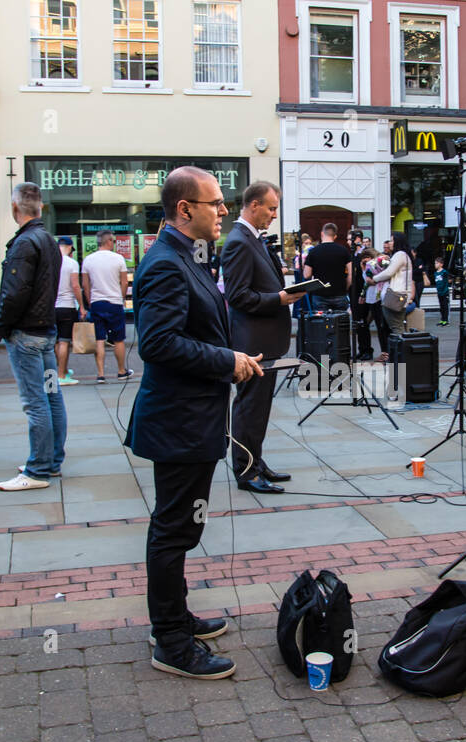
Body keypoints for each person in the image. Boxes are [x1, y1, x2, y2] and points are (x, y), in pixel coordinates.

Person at [126, 166, 263, 680]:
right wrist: (227, 362)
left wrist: (228, 354)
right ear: (185, 209)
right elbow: (157, 344)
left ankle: (175, 616)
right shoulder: (166, 262)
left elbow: (193, 329)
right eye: (215, 203)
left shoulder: (186, 256)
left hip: (194, 418)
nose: (224, 210)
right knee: (173, 529)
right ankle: (171, 642)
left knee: (182, 526)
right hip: (178, 422)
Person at [222, 180, 301, 494]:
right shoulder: (239, 241)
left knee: (259, 408)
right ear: (253, 205)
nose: (273, 214)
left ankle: (256, 461)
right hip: (252, 343)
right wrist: (278, 299)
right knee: (249, 408)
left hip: (264, 340)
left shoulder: (253, 238)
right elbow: (238, 296)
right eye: (270, 208)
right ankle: (246, 471)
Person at [0, 182, 67, 491]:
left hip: (26, 334)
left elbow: (15, 292)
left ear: (15, 208)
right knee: (51, 397)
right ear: (40, 207)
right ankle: (50, 461)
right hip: (45, 333)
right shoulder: (48, 240)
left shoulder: (24, 243)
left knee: (36, 401)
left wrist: (3, 324)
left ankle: (37, 470)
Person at [80, 230, 132, 382]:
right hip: (115, 302)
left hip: (97, 302)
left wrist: (90, 301)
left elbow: (85, 284)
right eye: (113, 241)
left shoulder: (88, 260)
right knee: (119, 339)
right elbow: (124, 282)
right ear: (109, 241)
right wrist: (121, 298)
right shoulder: (118, 259)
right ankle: (121, 371)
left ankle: (100, 374)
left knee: (99, 339)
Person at [303, 222, 353, 314]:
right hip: (339, 293)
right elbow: (351, 274)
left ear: (322, 233)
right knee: (340, 324)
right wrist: (345, 288)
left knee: (321, 324)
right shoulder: (344, 251)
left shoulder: (314, 251)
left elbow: (307, 275)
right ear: (335, 236)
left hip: (319, 294)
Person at [54, 236, 84, 385]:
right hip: (67, 306)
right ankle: (61, 376)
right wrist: (82, 306)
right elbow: (75, 286)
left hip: (51, 307)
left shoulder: (50, 262)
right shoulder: (72, 263)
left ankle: (62, 370)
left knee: (55, 342)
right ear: (70, 248)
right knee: (64, 342)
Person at [372, 232, 413, 335]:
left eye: (391, 240)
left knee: (396, 327)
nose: (389, 243)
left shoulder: (400, 255)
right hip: (401, 295)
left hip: (395, 295)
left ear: (397, 242)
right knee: (397, 326)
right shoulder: (404, 255)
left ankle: (401, 349)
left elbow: (389, 272)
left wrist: (375, 278)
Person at [433, 257, 451, 326]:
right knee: (441, 307)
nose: (435, 264)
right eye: (435, 263)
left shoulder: (444, 272)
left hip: (445, 292)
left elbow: (449, 279)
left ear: (441, 264)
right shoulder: (435, 273)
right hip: (439, 292)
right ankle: (442, 319)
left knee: (445, 306)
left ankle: (446, 320)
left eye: (437, 263)